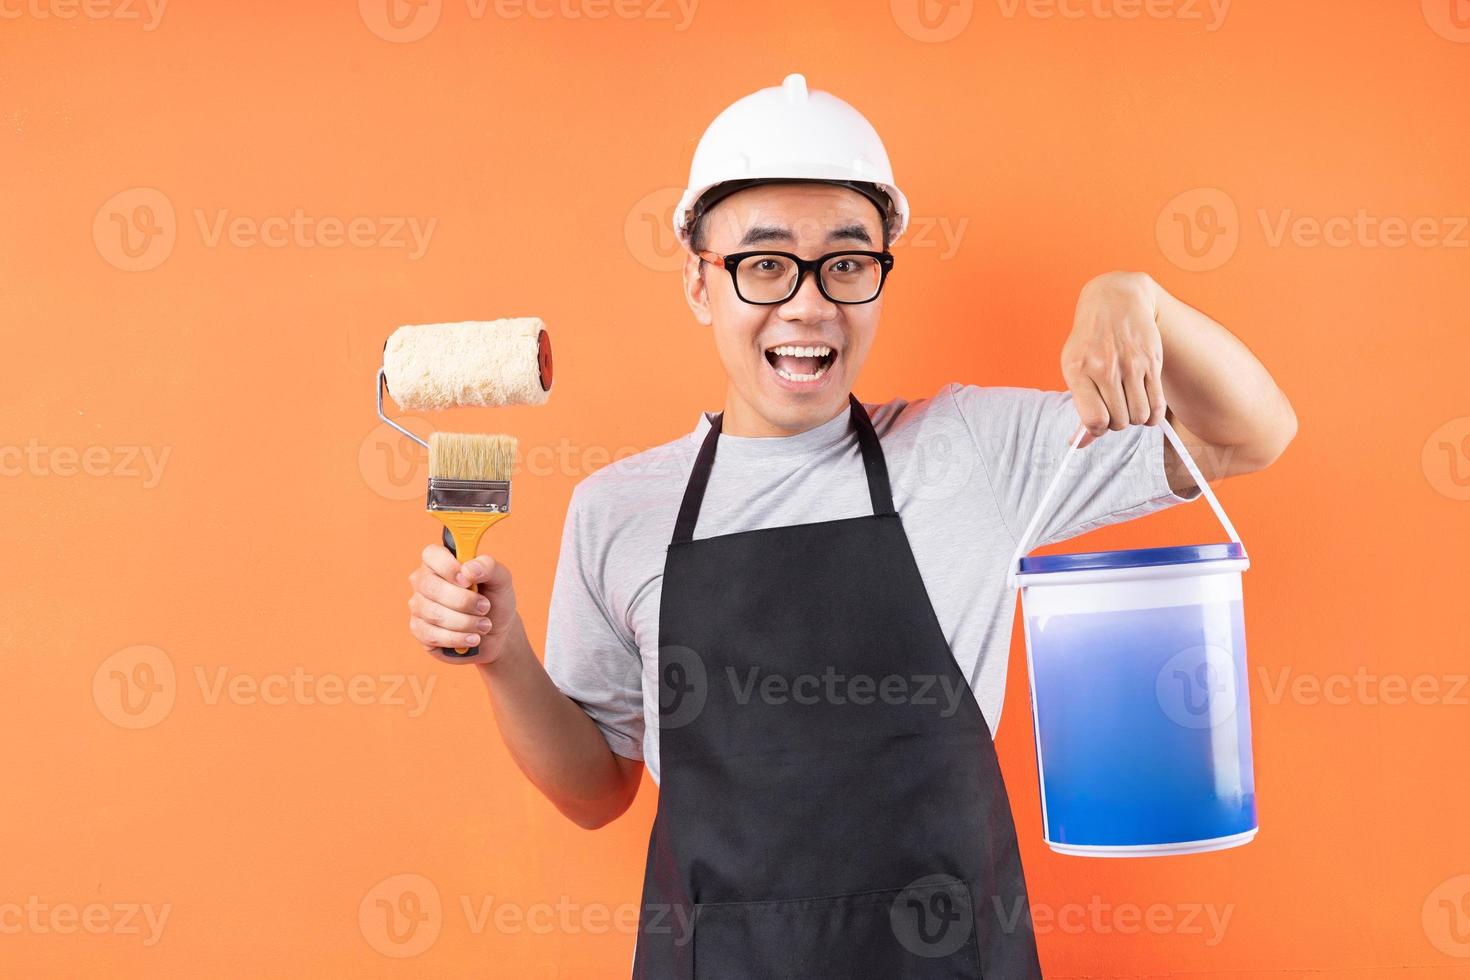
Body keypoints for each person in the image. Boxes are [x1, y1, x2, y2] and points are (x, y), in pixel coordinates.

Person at [405, 73, 1297, 978]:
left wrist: (1138, 297)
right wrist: (503, 654)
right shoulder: (618, 508)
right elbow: (597, 793)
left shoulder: (971, 451)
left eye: (847, 261)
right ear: (699, 283)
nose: (809, 303)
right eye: (763, 263)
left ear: (878, 274)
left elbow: (1251, 432)